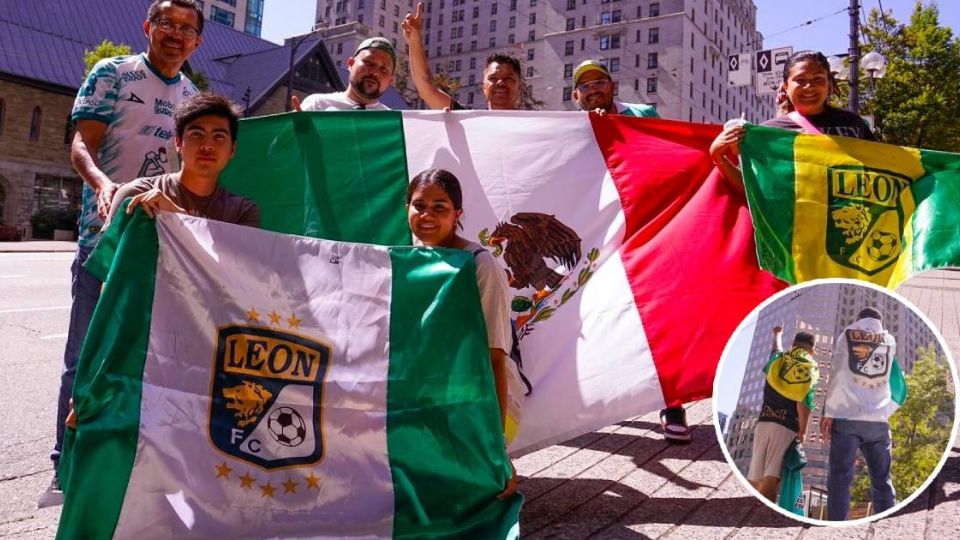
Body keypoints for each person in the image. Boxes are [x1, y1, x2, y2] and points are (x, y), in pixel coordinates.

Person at [45, 0, 203, 506]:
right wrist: (104, 184)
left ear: (198, 40)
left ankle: (133, 466)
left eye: (186, 29)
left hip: (158, 247)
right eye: (167, 24)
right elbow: (80, 144)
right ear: (147, 27)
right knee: (84, 358)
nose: (176, 35)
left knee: (149, 361)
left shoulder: (193, 96)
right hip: (104, 239)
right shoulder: (112, 73)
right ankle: (65, 466)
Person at [406, 168, 517, 498]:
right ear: (406, 209)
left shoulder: (479, 265)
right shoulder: (408, 259)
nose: (427, 216)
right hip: (430, 393)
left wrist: (495, 447)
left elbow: (495, 358)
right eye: (418, 205)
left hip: (479, 396)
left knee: (475, 492)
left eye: (440, 207)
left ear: (458, 214)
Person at [710, 50, 876, 186]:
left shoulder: (854, 124)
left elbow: (884, 172)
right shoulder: (767, 133)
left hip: (848, 223)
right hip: (790, 225)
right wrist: (717, 155)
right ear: (785, 87)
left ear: (829, 84)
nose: (809, 87)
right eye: (800, 80)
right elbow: (752, 189)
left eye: (818, 79)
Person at [107, 93, 260, 227]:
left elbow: (234, 261)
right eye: (196, 134)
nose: (207, 146)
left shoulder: (242, 212)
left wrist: (176, 217)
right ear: (178, 143)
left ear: (232, 149)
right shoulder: (137, 195)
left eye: (219, 137)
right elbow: (109, 257)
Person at [821, 307, 905, 520]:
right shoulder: (889, 341)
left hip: (847, 417)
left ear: (859, 320)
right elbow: (899, 384)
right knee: (882, 480)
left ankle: (834, 526)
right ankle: (887, 525)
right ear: (879, 321)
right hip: (878, 422)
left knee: (840, 478)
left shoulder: (847, 336)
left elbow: (838, 373)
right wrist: (885, 410)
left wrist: (828, 412)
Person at [402, 2, 521, 110]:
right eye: (493, 78)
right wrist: (415, 39)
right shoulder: (466, 119)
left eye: (508, 78)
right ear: (484, 87)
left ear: (519, 87)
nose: (500, 83)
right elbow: (426, 89)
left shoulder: (535, 126)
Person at [747, 326, 819, 504]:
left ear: (793, 345)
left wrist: (777, 334)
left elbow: (775, 349)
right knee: (772, 479)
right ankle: (761, 520)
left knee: (755, 478)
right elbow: (803, 402)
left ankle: (746, 513)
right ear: (813, 350)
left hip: (763, 423)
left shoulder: (778, 360)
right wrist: (802, 431)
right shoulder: (808, 368)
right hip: (785, 428)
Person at [293, 37, 396, 111]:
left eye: (383, 69)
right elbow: (282, 140)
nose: (375, 72)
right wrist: (298, 132)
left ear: (390, 81)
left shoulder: (396, 124)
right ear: (351, 64)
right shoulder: (317, 106)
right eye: (369, 62)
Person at [571, 60, 659, 118]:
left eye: (599, 83)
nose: (593, 90)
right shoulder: (569, 128)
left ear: (613, 87)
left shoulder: (645, 114)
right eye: (584, 86)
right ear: (576, 97)